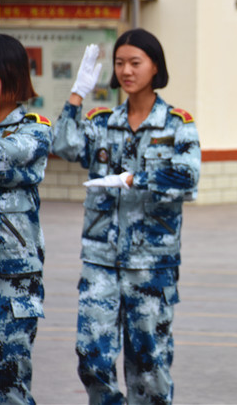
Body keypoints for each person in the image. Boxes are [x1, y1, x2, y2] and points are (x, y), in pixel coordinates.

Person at [52, 28, 201, 404]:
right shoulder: (103, 121)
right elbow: (64, 145)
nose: (126, 71)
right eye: (119, 63)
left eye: (135, 62)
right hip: (101, 261)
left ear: (155, 67)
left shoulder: (177, 124)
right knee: (92, 358)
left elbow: (188, 176)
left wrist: (136, 179)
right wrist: (77, 95)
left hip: (151, 264)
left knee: (149, 365)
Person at [0, 34, 54, 405]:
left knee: (9, 382)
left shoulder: (34, 129)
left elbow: (4, 157)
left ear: (12, 75)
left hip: (13, 277)